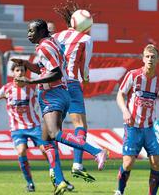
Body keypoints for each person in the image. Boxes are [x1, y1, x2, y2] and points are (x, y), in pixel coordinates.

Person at [12, 19, 107, 195]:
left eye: (31, 31)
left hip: (53, 95)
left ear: (41, 31)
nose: (28, 34)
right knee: (46, 140)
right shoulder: (50, 43)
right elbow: (43, 68)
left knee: (54, 134)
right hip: (58, 94)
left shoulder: (44, 47)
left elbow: (56, 72)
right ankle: (60, 181)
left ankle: (96, 151)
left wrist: (31, 81)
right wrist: (26, 64)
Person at [53, 0, 108, 181]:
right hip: (71, 83)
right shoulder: (86, 39)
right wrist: (85, 79)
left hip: (53, 85)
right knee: (80, 125)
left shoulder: (56, 36)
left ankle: (54, 171)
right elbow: (84, 66)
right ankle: (78, 162)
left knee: (53, 130)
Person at [114, 44, 159, 195]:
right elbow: (120, 95)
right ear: (143, 59)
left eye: (153, 57)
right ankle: (119, 191)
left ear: (157, 60)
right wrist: (125, 111)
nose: (150, 59)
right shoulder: (133, 75)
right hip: (132, 127)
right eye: (147, 56)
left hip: (150, 129)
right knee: (128, 163)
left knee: (156, 163)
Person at [0, 63, 60, 192]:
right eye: (17, 70)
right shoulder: (6, 89)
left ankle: (60, 179)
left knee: (46, 151)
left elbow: (45, 95)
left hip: (34, 126)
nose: (20, 73)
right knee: (21, 151)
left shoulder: (32, 88)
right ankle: (30, 183)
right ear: (13, 72)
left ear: (25, 73)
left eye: (22, 70)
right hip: (17, 129)